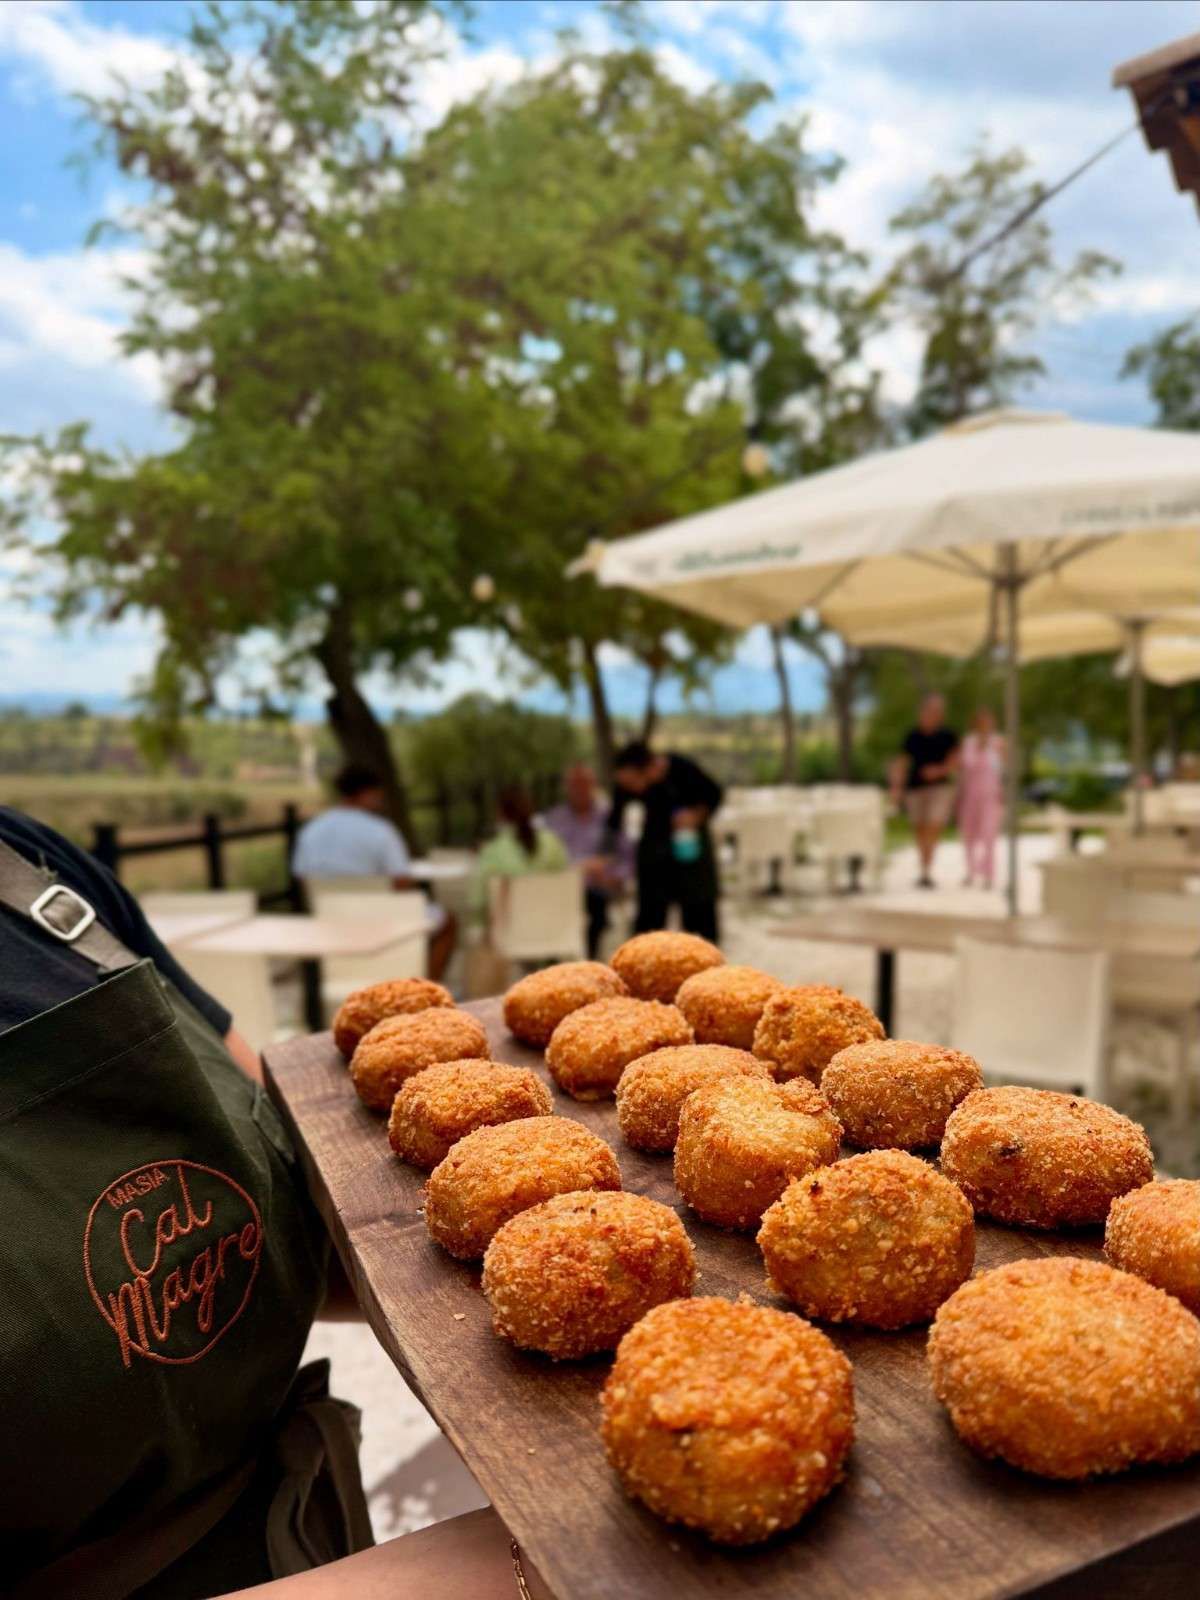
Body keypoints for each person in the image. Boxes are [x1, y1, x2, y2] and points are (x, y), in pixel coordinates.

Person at [0, 802, 552, 1599]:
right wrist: (515, 1571)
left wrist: (521, 1265)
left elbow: (294, 1198)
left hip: (299, 1523)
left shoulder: (31, 873)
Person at [292, 763, 455, 981]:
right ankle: (427, 988)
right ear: (368, 792)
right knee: (448, 921)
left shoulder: (311, 831)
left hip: (330, 923)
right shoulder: (381, 831)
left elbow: (302, 879)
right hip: (382, 922)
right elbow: (402, 882)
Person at [607, 740, 724, 942]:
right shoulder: (626, 786)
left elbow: (714, 794)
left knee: (700, 927)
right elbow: (614, 824)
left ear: (648, 768)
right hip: (653, 860)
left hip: (691, 855)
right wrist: (614, 862)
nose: (631, 789)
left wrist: (696, 816)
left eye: (633, 781)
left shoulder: (681, 767)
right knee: (647, 930)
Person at [543, 763, 633, 958]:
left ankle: (590, 959)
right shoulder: (553, 820)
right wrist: (578, 867)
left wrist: (612, 876)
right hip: (561, 891)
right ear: (566, 787)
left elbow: (628, 859)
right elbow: (544, 863)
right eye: (574, 784)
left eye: (584, 784)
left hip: (598, 889)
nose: (579, 789)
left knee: (597, 910)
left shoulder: (610, 817)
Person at [889, 694, 960, 889]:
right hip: (915, 789)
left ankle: (927, 867)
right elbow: (902, 763)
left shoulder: (948, 735)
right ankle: (924, 869)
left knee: (933, 826)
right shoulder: (913, 736)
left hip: (940, 788)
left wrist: (938, 771)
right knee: (920, 830)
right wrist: (896, 788)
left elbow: (955, 761)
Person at [473, 784, 570, 913]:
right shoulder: (553, 843)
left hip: (511, 931)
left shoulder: (493, 852)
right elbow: (567, 887)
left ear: (500, 814)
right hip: (555, 929)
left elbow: (477, 903)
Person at [958, 706, 1005, 889]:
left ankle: (988, 874)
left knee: (989, 835)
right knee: (968, 834)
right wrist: (981, 746)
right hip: (971, 794)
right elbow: (968, 765)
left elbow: (1001, 769)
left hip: (991, 794)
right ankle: (970, 871)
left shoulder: (999, 742)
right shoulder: (969, 742)